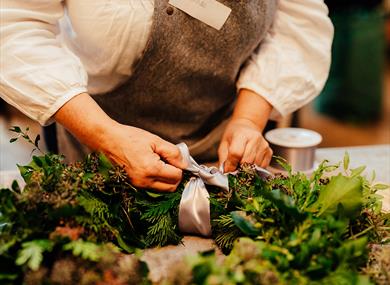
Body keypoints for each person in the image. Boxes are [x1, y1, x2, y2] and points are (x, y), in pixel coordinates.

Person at [0, 0, 333, 192]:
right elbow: (15, 26)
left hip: (224, 155)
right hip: (96, 157)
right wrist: (106, 136)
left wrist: (248, 119)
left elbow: (298, 22)